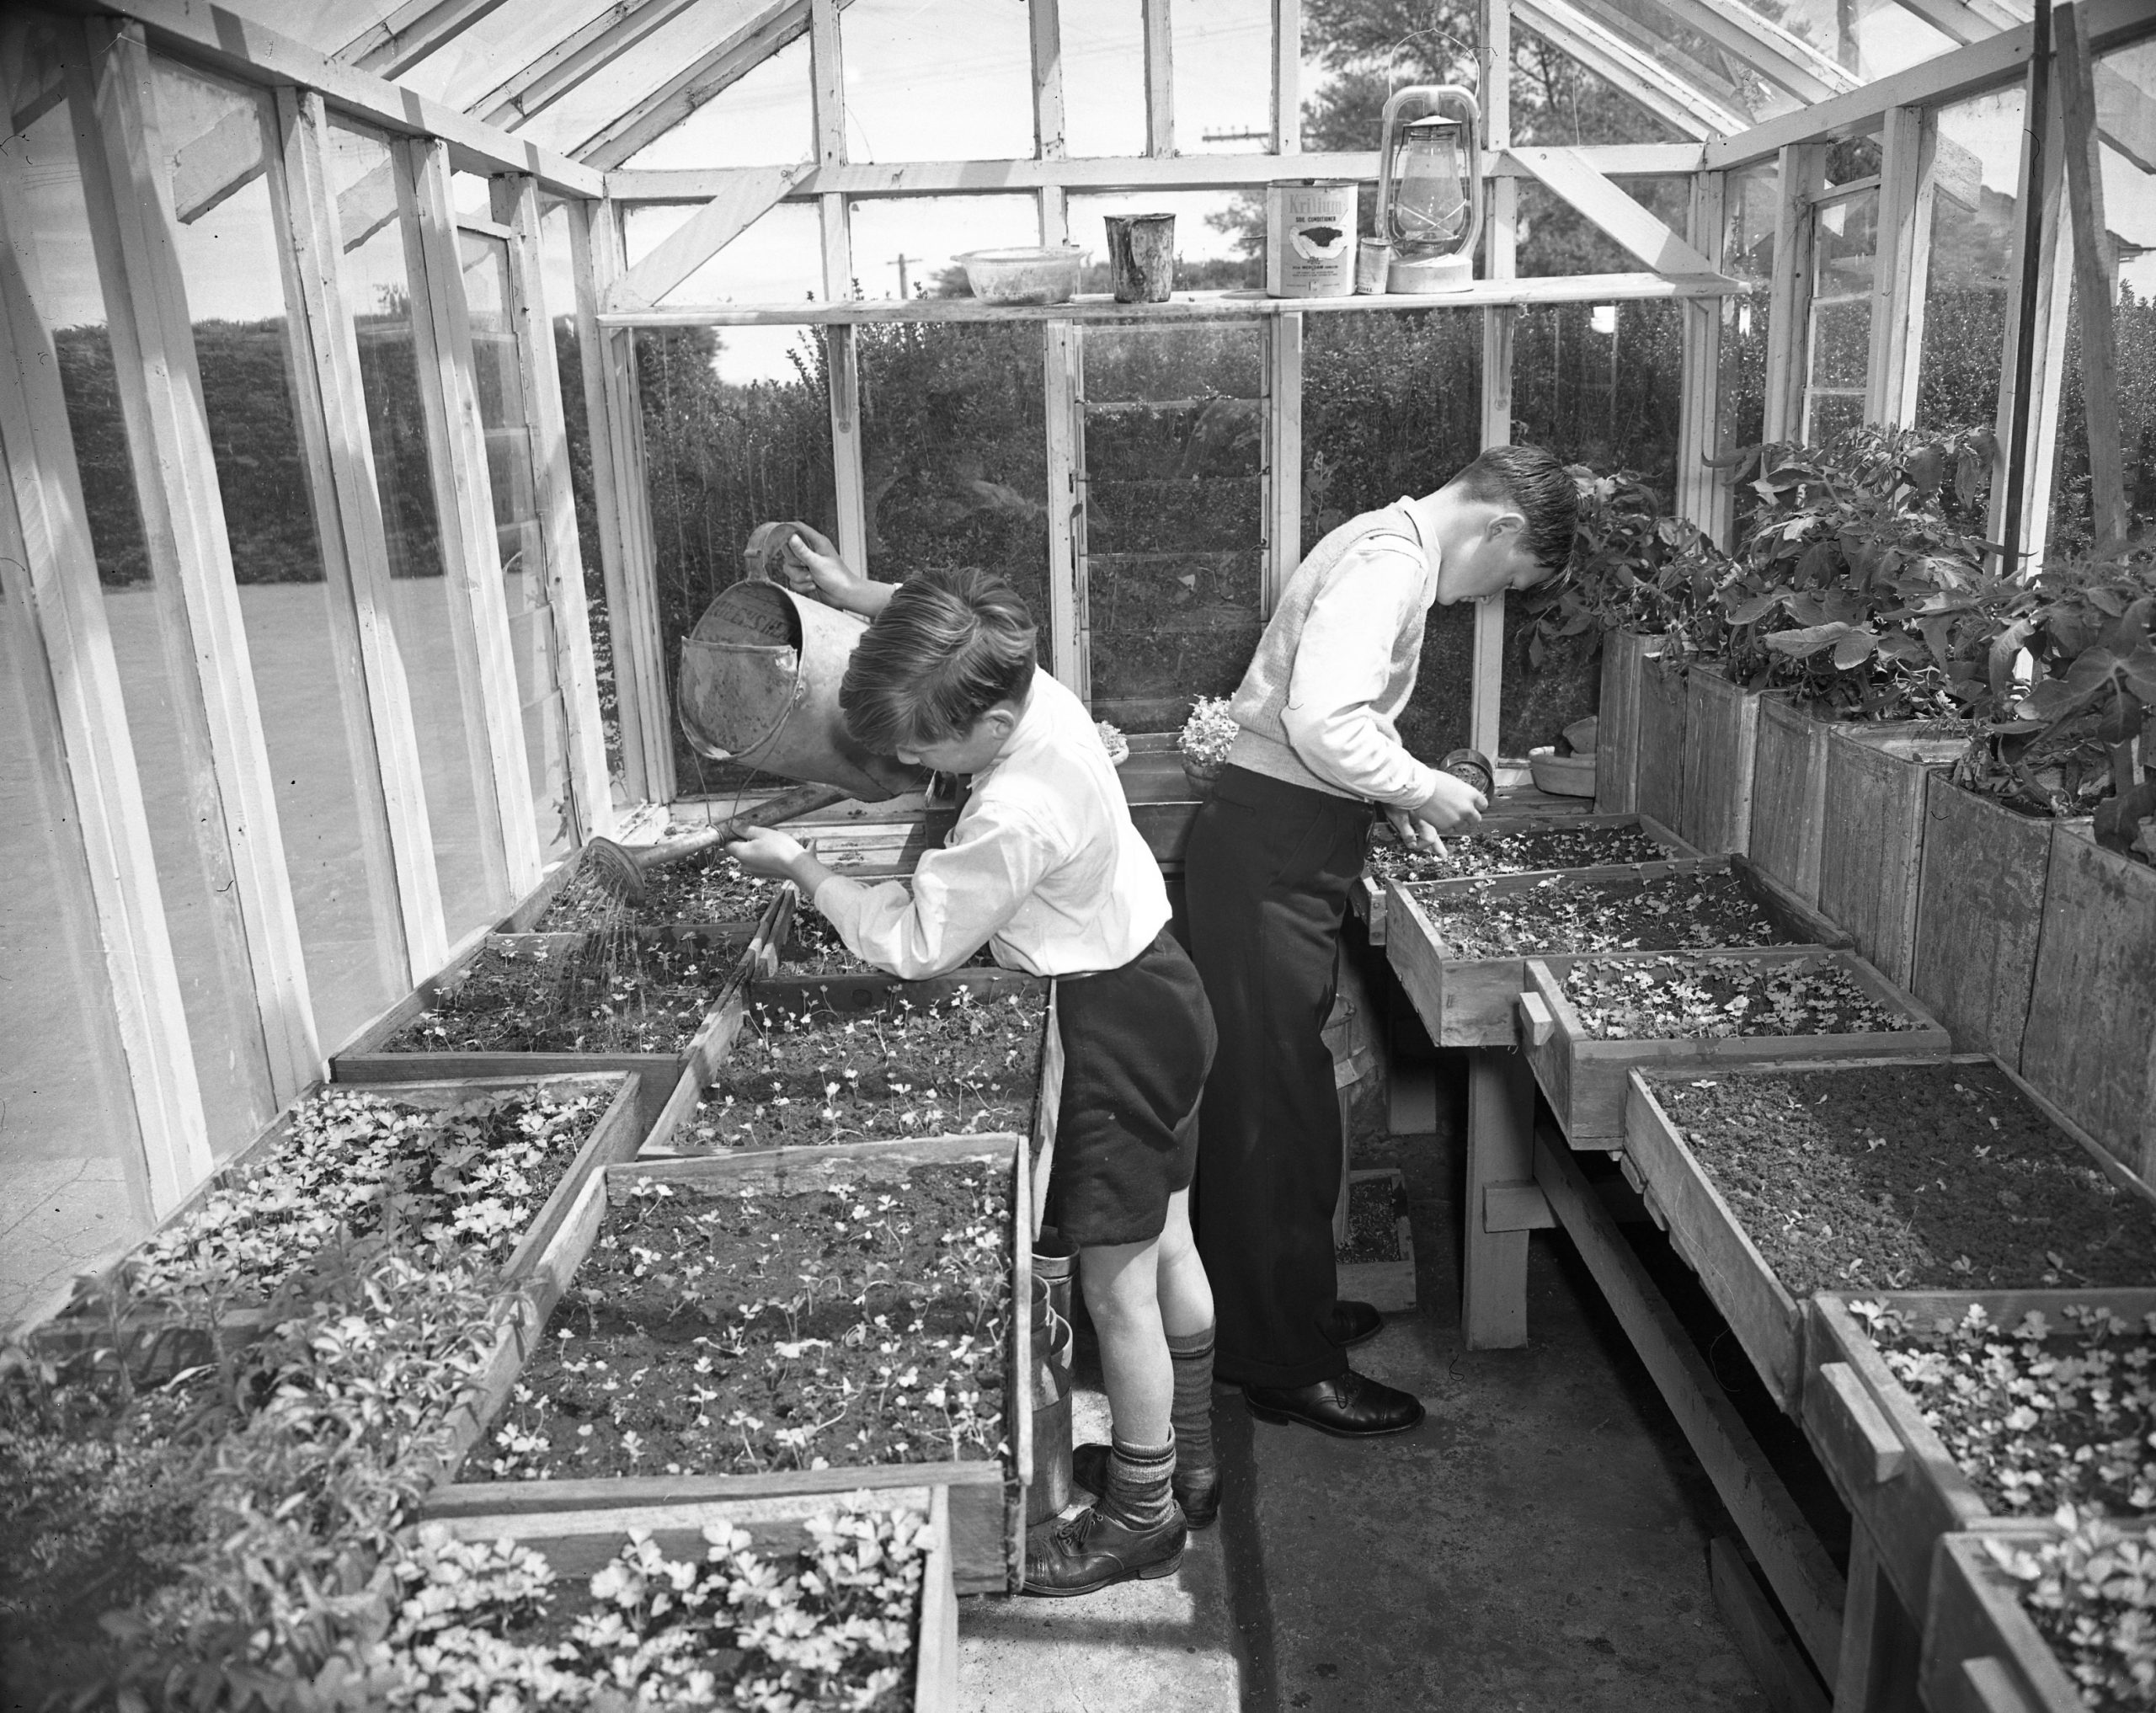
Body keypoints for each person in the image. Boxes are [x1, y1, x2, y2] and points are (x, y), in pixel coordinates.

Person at [727, 542, 1220, 1598]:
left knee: (1116, 1286)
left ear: (986, 733)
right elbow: (947, 605)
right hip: (1166, 989)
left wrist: (805, 871)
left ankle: (1142, 1517)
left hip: (1104, 1032)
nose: (921, 774)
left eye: (929, 755)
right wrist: (853, 595)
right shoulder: (1022, 679)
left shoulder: (1011, 809)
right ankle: (1190, 1464)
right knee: (1170, 1236)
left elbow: (915, 944)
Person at [1186, 446, 1579, 1438]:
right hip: (1272, 851)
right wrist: (1423, 786)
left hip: (1280, 838)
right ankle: (1281, 1365)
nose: (1485, 596)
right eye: (1511, 576)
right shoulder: (1393, 564)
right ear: (1496, 528)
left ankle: (1269, 1318)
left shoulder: (1378, 538)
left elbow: (1330, 726)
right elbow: (1322, 720)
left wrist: (1382, 791)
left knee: (1267, 1107)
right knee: (1276, 1121)